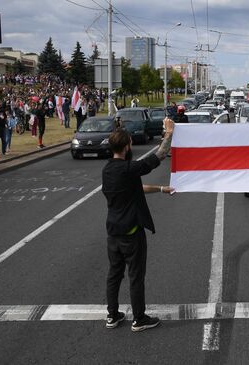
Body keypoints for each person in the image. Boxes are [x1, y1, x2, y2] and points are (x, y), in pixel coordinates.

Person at [101, 117, 175, 331]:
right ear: (126, 147)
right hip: (131, 233)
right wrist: (169, 133)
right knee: (135, 276)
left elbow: (136, 188)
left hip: (113, 232)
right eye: (131, 143)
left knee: (114, 274)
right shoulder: (128, 168)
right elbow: (159, 156)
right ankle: (139, 319)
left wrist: (161, 189)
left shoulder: (108, 170)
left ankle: (112, 315)